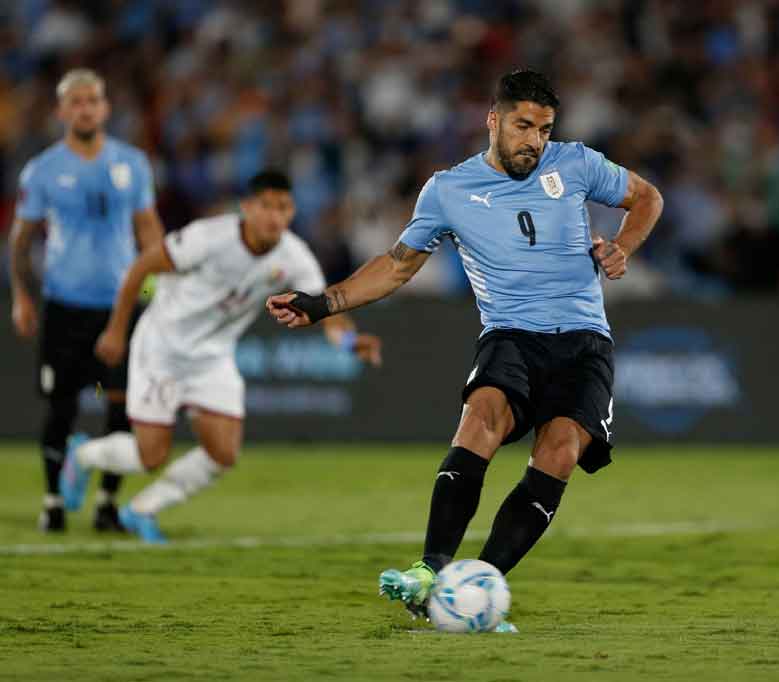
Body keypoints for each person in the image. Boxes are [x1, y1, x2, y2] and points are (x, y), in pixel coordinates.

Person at [267, 69, 663, 629]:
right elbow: (397, 267)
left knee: (561, 451)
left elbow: (647, 198)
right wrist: (323, 303)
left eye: (545, 129)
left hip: (583, 340)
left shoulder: (575, 163)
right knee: (482, 419)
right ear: (494, 120)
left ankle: (479, 585)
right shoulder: (449, 189)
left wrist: (622, 247)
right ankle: (429, 569)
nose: (535, 141)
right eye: (524, 126)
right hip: (510, 334)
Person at [59, 170, 383, 543]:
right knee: (150, 457)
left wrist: (348, 342)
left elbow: (324, 309)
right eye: (266, 206)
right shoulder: (208, 237)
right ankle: (83, 455)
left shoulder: (294, 255)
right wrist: (116, 330)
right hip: (161, 348)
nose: (274, 216)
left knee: (224, 453)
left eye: (283, 207)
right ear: (247, 207)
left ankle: (141, 510)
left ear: (292, 211)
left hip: (212, 357)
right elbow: (141, 268)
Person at [8, 68, 165, 533]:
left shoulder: (132, 164)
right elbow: (20, 241)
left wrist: (163, 283)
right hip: (64, 306)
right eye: (75, 102)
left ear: (105, 108)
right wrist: (21, 296)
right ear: (61, 111)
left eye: (92, 100)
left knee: (122, 405)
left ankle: (106, 503)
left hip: (119, 305)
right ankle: (54, 501)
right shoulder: (42, 170)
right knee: (62, 406)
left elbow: (148, 229)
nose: (85, 108)